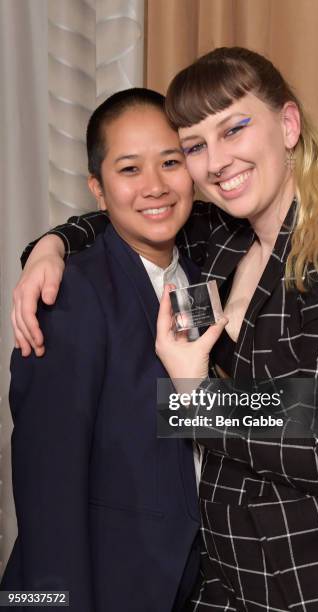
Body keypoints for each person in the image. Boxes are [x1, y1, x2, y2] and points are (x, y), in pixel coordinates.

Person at [11, 48, 318, 611]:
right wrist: (49, 246)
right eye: (195, 146)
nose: (216, 161)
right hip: (225, 577)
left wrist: (198, 397)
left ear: (288, 125)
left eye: (234, 129)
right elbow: (137, 207)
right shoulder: (222, 236)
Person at [2, 87, 226, 611]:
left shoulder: (197, 274)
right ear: (98, 189)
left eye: (170, 162)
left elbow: (189, 419)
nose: (155, 185)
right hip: (100, 583)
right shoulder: (69, 295)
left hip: (190, 582)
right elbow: (47, 488)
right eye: (129, 169)